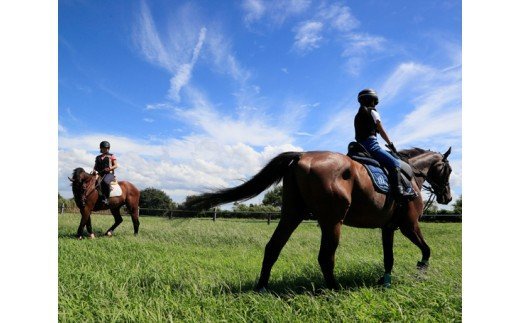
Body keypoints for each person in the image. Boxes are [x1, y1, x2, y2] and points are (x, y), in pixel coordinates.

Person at [354, 88, 416, 200]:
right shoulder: (373, 111)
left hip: (359, 146)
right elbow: (381, 130)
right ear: (373, 100)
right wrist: (390, 144)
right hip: (371, 145)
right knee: (395, 163)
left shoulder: (358, 115)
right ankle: (400, 192)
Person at [93, 141, 118, 205]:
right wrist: (94, 171)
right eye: (103, 148)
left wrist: (109, 168)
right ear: (101, 148)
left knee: (104, 181)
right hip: (100, 174)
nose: (105, 149)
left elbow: (116, 165)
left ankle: (106, 199)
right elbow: (95, 167)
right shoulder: (98, 157)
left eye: (107, 148)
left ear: (108, 148)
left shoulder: (111, 156)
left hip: (109, 174)